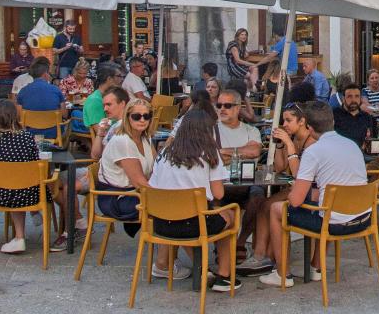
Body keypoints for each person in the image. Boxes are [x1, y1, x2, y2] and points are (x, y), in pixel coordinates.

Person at [260, 101, 370, 288]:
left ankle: (282, 274)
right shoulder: (352, 145)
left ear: (308, 126)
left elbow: (295, 201)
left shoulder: (314, 151)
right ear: (332, 121)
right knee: (324, 202)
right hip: (363, 218)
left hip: (334, 224)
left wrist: (293, 156)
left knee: (277, 209)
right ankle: (316, 267)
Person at [147, 109, 240, 289]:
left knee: (191, 215)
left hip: (161, 225)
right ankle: (225, 275)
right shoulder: (209, 153)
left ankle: (204, 269)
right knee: (230, 214)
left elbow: (154, 185)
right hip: (194, 224)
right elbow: (219, 194)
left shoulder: (165, 152)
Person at [238, 101, 318, 278]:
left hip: (311, 192)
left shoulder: (311, 143)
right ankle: (263, 255)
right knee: (264, 205)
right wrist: (281, 144)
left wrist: (289, 144)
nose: (285, 124)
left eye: (289, 120)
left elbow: (300, 175)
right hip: (296, 188)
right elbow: (280, 167)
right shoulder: (293, 138)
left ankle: (263, 257)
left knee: (267, 206)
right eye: (284, 120)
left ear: (302, 121)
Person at [0, 100, 45, 254]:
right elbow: (34, 163)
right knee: (21, 182)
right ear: (14, 117)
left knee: (10, 183)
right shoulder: (26, 138)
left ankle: (19, 238)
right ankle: (20, 235)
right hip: (26, 195)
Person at [213, 89, 265, 266]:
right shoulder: (211, 129)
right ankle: (221, 245)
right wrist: (242, 152)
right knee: (214, 197)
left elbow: (255, 151)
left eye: (227, 105)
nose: (222, 109)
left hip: (246, 183)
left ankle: (241, 241)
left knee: (259, 195)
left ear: (238, 108)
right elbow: (214, 157)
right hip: (220, 183)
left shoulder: (250, 130)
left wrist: (228, 152)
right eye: (219, 105)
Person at [97, 100, 156, 235]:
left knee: (177, 207)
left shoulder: (145, 138)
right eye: (137, 116)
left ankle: (169, 253)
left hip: (135, 194)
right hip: (116, 198)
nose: (142, 120)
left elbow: (156, 169)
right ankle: (169, 254)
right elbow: (139, 182)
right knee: (171, 208)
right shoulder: (123, 141)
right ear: (127, 117)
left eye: (146, 116)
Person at [14, 59, 64, 138]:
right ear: (45, 74)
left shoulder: (23, 91)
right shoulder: (56, 90)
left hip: (29, 134)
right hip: (53, 134)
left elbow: (19, 115)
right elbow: (64, 114)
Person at [332, 82, 375, 147]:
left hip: (361, 153)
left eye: (357, 96)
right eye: (349, 96)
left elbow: (370, 140)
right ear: (343, 99)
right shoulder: (333, 115)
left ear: (360, 99)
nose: (353, 100)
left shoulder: (367, 117)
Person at [82, 66, 122, 131]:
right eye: (119, 76)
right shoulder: (95, 100)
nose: (122, 79)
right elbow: (100, 130)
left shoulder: (109, 96)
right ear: (109, 79)